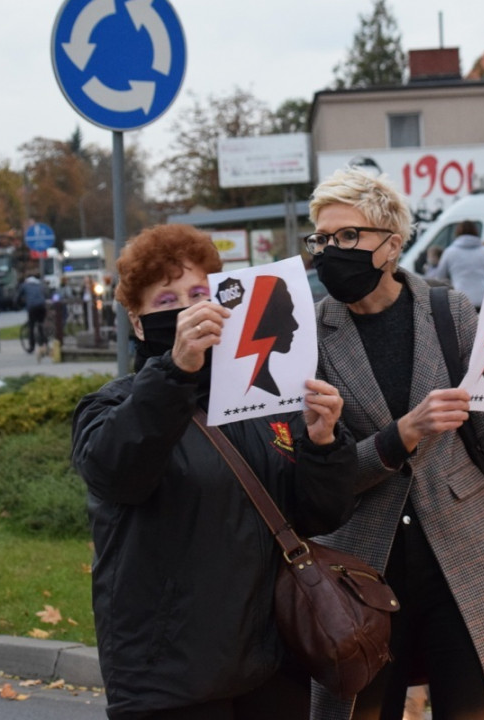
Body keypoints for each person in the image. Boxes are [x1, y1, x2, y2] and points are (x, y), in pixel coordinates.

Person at [305, 168, 484, 720]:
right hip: (360, 568)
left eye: (349, 235)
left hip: (463, 555)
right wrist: (402, 434)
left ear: (391, 244)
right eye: (323, 239)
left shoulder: (450, 313)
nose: (332, 251)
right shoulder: (308, 335)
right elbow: (320, 479)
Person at [71, 223, 356, 720]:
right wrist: (176, 370)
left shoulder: (260, 401)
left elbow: (320, 513)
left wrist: (323, 443)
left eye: (199, 294)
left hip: (270, 668)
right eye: (167, 301)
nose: (188, 310)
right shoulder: (110, 407)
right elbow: (118, 474)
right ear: (138, 323)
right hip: (170, 679)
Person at [430, 219, 484, 309]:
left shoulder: (450, 251)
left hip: (460, 299)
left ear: (457, 232)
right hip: (483, 299)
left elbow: (440, 277)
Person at [16, 273, 49, 358]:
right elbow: (45, 294)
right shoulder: (39, 285)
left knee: (31, 326)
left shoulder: (24, 285)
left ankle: (31, 347)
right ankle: (45, 343)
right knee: (41, 325)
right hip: (42, 306)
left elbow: (18, 297)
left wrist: (17, 304)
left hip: (32, 307)